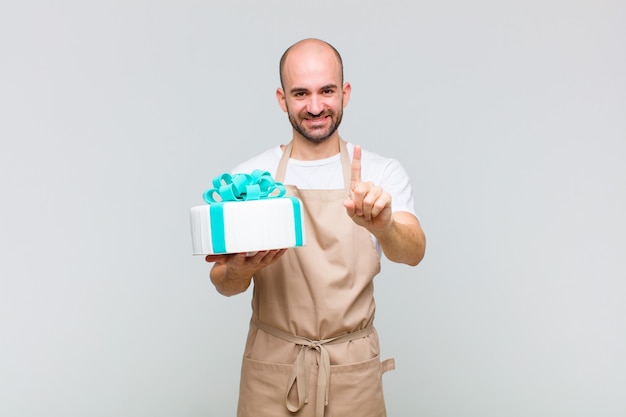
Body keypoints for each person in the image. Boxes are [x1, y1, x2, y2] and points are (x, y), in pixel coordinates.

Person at [205, 38, 426, 417]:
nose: (315, 106)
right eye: (300, 93)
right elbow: (223, 281)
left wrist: (385, 225)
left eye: (326, 91)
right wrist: (239, 270)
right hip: (273, 370)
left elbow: (414, 251)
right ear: (281, 99)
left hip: (351, 372)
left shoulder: (380, 172)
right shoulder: (248, 180)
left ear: (345, 92)